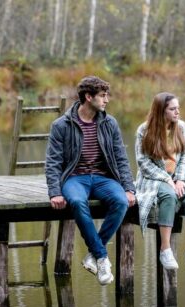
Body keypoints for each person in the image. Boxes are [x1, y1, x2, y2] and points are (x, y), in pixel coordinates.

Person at [45, 76, 136, 285]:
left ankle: (94, 254)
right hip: (75, 178)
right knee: (77, 202)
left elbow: (121, 158)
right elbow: (52, 163)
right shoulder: (61, 125)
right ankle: (102, 257)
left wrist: (129, 188)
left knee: (121, 201)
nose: (106, 101)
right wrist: (55, 192)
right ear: (88, 97)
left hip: (104, 178)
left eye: (106, 96)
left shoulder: (109, 123)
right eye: (102, 96)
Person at [134, 92, 185, 270]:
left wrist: (181, 179)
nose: (177, 112)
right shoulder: (144, 130)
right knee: (169, 196)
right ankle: (165, 249)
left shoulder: (182, 128)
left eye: (178, 108)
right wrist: (167, 179)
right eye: (172, 109)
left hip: (177, 177)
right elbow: (142, 162)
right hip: (153, 178)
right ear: (160, 111)